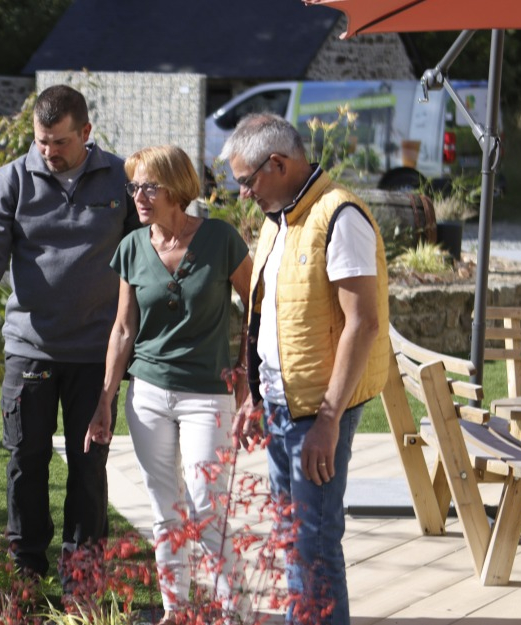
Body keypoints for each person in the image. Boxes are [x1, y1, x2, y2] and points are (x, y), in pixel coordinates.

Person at [0, 85, 139, 580]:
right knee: (27, 460)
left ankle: (83, 576)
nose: (48, 152)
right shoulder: (10, 181)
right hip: (31, 349)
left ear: (85, 133)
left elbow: (150, 251)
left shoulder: (121, 179)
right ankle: (24, 574)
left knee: (89, 467)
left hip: (97, 353)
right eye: (41, 141)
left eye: (60, 142)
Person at [221, 113, 390, 625]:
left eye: (247, 182)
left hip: (317, 412)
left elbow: (363, 323)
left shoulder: (340, 218)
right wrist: (253, 392)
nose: (243, 194)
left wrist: (329, 420)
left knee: (312, 545)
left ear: (278, 164)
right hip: (280, 403)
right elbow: (267, 311)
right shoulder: (282, 218)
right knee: (293, 537)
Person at [84, 144, 254, 623]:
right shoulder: (132, 248)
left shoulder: (221, 240)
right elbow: (122, 330)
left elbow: (256, 307)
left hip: (208, 396)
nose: (138, 196)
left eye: (149, 186)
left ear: (178, 189)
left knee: (205, 507)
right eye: (134, 186)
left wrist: (244, 373)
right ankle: (176, 611)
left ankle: (231, 613)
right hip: (149, 396)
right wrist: (105, 400)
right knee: (165, 509)